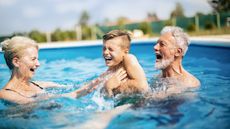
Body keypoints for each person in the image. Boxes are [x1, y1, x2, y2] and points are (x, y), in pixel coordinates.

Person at [0, 36, 104, 104]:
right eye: (33, 59)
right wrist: (78, 93)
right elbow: (32, 103)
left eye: (37, 58)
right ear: (16, 62)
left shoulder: (40, 85)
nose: (38, 64)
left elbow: (72, 87)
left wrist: (99, 82)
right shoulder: (5, 93)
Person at [152, 26, 200, 96]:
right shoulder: (157, 77)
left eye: (162, 44)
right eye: (156, 43)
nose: (155, 47)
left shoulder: (190, 83)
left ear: (178, 52)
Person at [101, 30, 149, 97]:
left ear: (125, 52)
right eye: (104, 48)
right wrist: (107, 88)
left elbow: (142, 87)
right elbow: (93, 85)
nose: (105, 52)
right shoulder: (112, 68)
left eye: (110, 49)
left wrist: (110, 87)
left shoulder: (129, 58)